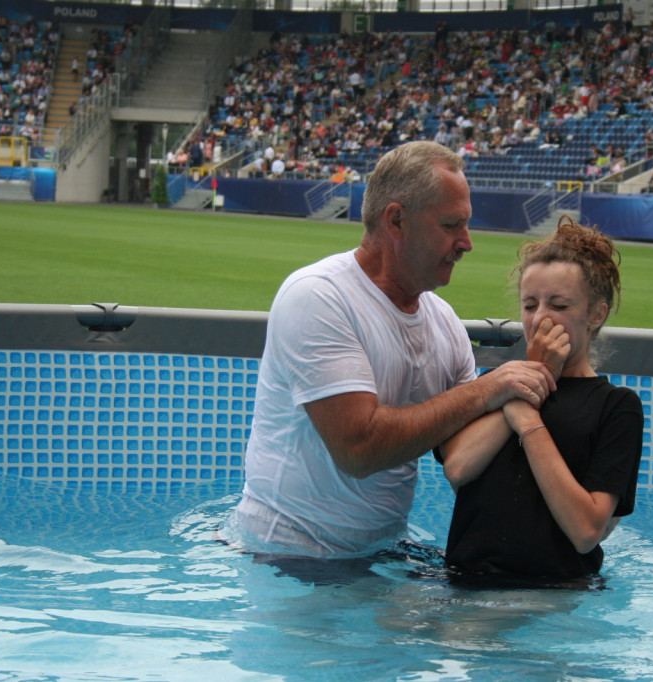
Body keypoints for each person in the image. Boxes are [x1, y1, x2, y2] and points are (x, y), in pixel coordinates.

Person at [228, 141, 557, 558]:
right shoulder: (318, 296)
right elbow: (358, 449)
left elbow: (462, 460)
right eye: (451, 225)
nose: (467, 242)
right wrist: (489, 389)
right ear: (396, 221)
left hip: (379, 555)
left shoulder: (445, 323)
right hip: (284, 554)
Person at [436, 216, 645, 581]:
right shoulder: (494, 385)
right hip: (460, 578)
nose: (541, 319)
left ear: (596, 314)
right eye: (530, 305)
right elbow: (457, 469)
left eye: (559, 306)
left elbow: (585, 532)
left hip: (546, 592)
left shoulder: (617, 406)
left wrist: (525, 414)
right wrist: (530, 379)